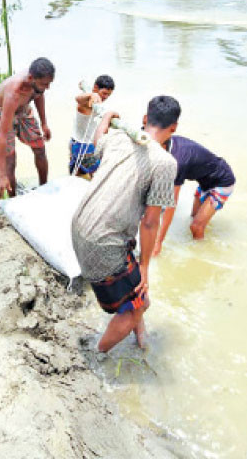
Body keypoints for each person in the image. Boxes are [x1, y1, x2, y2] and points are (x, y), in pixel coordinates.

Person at [71, 95, 179, 352]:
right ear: (173, 129)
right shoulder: (165, 163)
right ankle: (98, 355)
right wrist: (145, 267)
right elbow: (150, 223)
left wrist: (107, 117)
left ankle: (139, 333)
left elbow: (98, 142)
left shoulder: (119, 137)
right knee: (140, 304)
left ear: (144, 120)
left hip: (78, 227)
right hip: (102, 243)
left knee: (136, 296)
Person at [154, 135, 235, 255]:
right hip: (205, 182)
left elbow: (171, 204)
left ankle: (201, 256)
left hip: (222, 181)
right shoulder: (168, 142)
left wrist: (158, 243)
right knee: (193, 218)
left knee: (196, 227)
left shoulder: (177, 162)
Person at [0, 57, 55, 197]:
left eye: (49, 83)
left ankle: (44, 188)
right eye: (45, 84)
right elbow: (2, 135)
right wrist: (1, 175)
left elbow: (39, 95)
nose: (47, 87)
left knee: (40, 149)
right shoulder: (14, 92)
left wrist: (44, 123)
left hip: (24, 110)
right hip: (2, 112)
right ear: (31, 78)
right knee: (10, 161)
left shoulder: (37, 83)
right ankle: (13, 199)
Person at [69, 75, 115, 177]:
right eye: (104, 93)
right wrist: (92, 95)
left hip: (75, 143)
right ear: (95, 88)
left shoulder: (96, 103)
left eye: (109, 95)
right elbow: (78, 99)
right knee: (99, 177)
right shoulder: (87, 102)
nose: (105, 97)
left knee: (77, 175)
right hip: (84, 147)